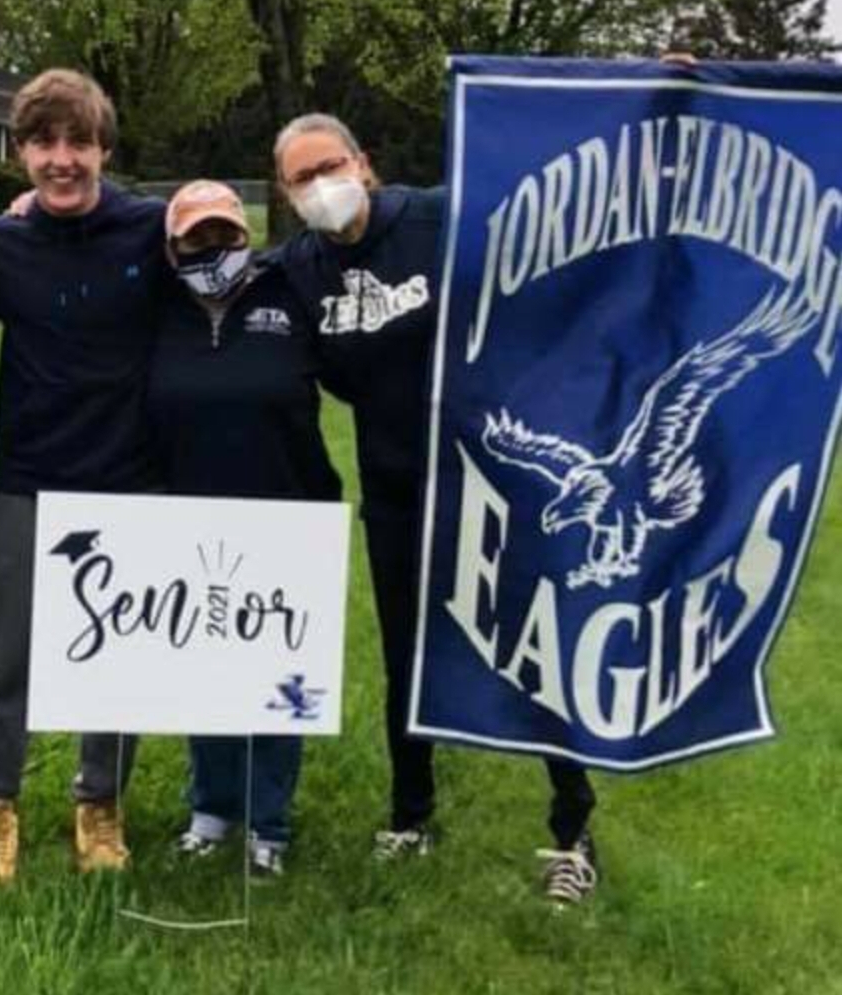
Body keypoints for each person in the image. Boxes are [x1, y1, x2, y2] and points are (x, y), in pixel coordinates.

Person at [274, 113, 598, 903]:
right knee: (407, 657)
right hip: (392, 486)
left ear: (364, 162)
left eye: (331, 166)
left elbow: (552, 193)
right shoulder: (297, 268)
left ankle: (572, 829)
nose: (321, 188)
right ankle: (411, 815)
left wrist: (654, 102)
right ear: (284, 194)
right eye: (301, 178)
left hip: (490, 476)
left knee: (527, 648)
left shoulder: (434, 216)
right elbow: (199, 275)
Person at [0, 68, 166, 888]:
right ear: (20, 156)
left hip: (129, 478)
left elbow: (227, 254)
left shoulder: (151, 231)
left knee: (117, 660)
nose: (62, 160)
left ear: (103, 149)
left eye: (77, 142)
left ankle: (100, 804)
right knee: (7, 660)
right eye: (44, 143)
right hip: (26, 477)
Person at [146, 180, 342, 877]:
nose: (214, 249)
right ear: (170, 247)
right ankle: (212, 807)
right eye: (195, 237)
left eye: (226, 234)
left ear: (247, 237)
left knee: (277, 675)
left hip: (288, 517)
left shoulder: (290, 295)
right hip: (186, 517)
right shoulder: (154, 308)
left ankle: (270, 822)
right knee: (206, 672)